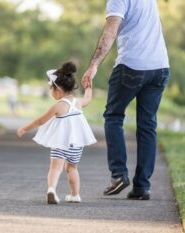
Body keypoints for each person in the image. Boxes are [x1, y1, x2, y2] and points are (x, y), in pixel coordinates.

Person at [81, 0, 170, 200]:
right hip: (160, 67)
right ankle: (142, 187)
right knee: (147, 125)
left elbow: (110, 32)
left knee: (113, 116)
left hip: (132, 66)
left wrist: (94, 64)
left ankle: (118, 175)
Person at [17, 62, 97, 204]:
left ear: (58, 89)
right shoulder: (78, 102)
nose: (51, 91)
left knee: (55, 168)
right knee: (72, 168)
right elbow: (88, 98)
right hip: (76, 144)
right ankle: (75, 195)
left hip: (60, 143)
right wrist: (89, 86)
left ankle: (52, 189)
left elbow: (40, 121)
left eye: (51, 88)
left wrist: (24, 129)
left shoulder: (59, 106)